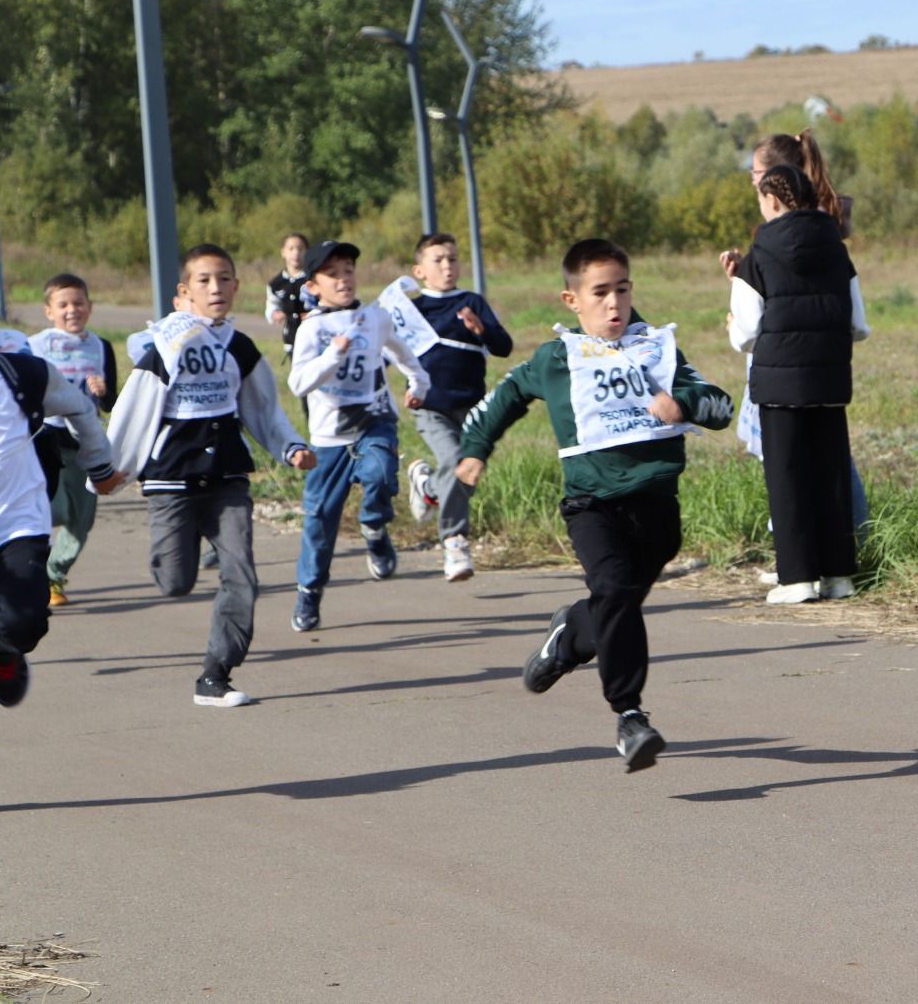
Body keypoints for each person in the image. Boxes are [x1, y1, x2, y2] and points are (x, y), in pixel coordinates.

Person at [456, 238, 733, 772]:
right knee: (615, 592)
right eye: (600, 293)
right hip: (591, 505)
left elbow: (720, 404)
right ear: (572, 300)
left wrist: (686, 404)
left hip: (656, 506)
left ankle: (570, 635)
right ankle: (630, 717)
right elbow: (504, 397)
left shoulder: (655, 349)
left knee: (614, 605)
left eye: (622, 291)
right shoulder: (557, 358)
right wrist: (474, 450)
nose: (614, 305)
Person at [106, 244, 316, 707]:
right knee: (175, 581)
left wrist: (291, 446)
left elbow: (264, 410)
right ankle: (183, 545)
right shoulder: (167, 345)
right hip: (173, 479)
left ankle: (215, 675)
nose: (215, 288)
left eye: (224, 279)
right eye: (204, 280)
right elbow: (135, 408)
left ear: (237, 288)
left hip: (226, 478)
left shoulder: (239, 348)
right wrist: (109, 469)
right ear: (184, 292)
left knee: (241, 573)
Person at [721, 129, 869, 573]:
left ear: (773, 187)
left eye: (756, 177)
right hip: (827, 372)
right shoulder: (829, 235)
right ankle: (839, 567)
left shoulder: (766, 244)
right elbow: (856, 321)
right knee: (829, 469)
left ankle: (798, 571)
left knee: (788, 476)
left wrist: (738, 315)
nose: (753, 186)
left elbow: (750, 326)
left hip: (778, 374)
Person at [287, 239, 428, 632]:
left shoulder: (375, 318)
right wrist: (332, 355)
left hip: (374, 420)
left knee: (382, 472)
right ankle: (309, 593)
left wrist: (419, 382)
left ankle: (374, 527)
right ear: (313, 286)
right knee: (319, 522)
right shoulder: (311, 329)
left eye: (348, 270)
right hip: (329, 436)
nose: (343, 279)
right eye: (332, 274)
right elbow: (298, 383)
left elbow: (403, 352)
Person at [0, 346, 122, 707]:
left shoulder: (22, 374)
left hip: (14, 525)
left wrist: (99, 465)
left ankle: (3, 652)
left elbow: (79, 406)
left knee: (26, 623)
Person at [393, 232, 514, 582]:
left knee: (466, 472)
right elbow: (387, 352)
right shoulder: (412, 309)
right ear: (419, 270)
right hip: (429, 405)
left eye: (453, 259)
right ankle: (454, 541)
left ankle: (428, 488)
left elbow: (504, 346)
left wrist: (482, 331)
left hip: (472, 406)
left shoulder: (471, 302)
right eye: (438, 260)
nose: (448, 266)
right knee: (454, 461)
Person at [28, 274, 118, 605]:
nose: (72, 310)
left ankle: (54, 575)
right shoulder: (34, 346)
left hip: (86, 442)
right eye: (63, 304)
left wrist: (104, 393)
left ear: (90, 307)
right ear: (48, 310)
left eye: (79, 303)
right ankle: (22, 565)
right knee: (55, 509)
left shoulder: (101, 346)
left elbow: (111, 404)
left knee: (82, 518)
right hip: (45, 437)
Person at [265, 232, 313, 358]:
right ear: (283, 252)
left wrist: (314, 313)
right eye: (291, 249)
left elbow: (324, 301)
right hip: (291, 337)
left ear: (307, 252)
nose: (296, 253)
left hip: (314, 336)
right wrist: (274, 313)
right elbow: (272, 303)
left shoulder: (313, 279)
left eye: (300, 249)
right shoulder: (276, 283)